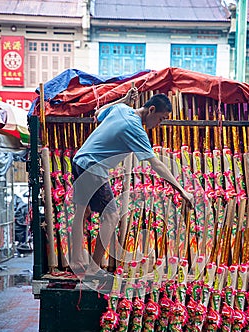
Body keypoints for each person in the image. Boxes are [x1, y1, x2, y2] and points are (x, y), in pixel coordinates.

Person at [70, 87, 194, 278]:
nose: (159, 124)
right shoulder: (135, 128)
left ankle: (77, 262)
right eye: (161, 119)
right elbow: (156, 164)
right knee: (111, 217)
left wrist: (125, 100)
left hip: (79, 161)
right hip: (93, 168)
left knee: (82, 212)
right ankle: (94, 269)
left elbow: (97, 114)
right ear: (151, 110)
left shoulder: (122, 109)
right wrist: (181, 190)